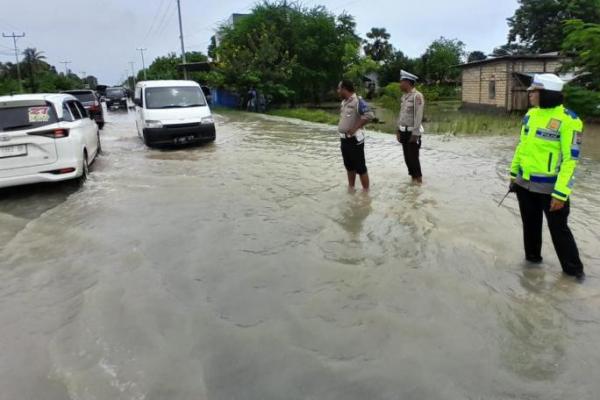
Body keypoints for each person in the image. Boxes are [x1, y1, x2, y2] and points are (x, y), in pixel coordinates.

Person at [509, 73, 585, 281]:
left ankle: (574, 273)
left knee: (559, 230)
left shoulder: (569, 120)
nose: (530, 95)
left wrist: (561, 194)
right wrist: (514, 174)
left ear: (547, 93)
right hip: (525, 184)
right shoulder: (531, 115)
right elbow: (521, 146)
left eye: (534, 91)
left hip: (551, 189)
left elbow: (571, 160)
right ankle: (532, 266)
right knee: (530, 227)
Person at [337, 79, 374, 191]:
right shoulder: (344, 102)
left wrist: (354, 128)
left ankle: (366, 193)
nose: (337, 91)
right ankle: (351, 188)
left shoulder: (358, 101)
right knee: (349, 166)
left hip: (355, 140)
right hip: (344, 140)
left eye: (339, 88)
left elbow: (369, 115)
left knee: (360, 168)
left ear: (344, 89)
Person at [397, 70, 425, 184]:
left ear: (407, 82)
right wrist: (398, 130)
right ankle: (413, 185)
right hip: (403, 131)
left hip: (412, 133)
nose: (400, 84)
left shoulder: (417, 96)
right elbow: (401, 114)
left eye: (401, 81)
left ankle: (418, 183)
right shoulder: (404, 97)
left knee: (413, 160)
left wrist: (415, 133)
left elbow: (419, 116)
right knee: (407, 160)